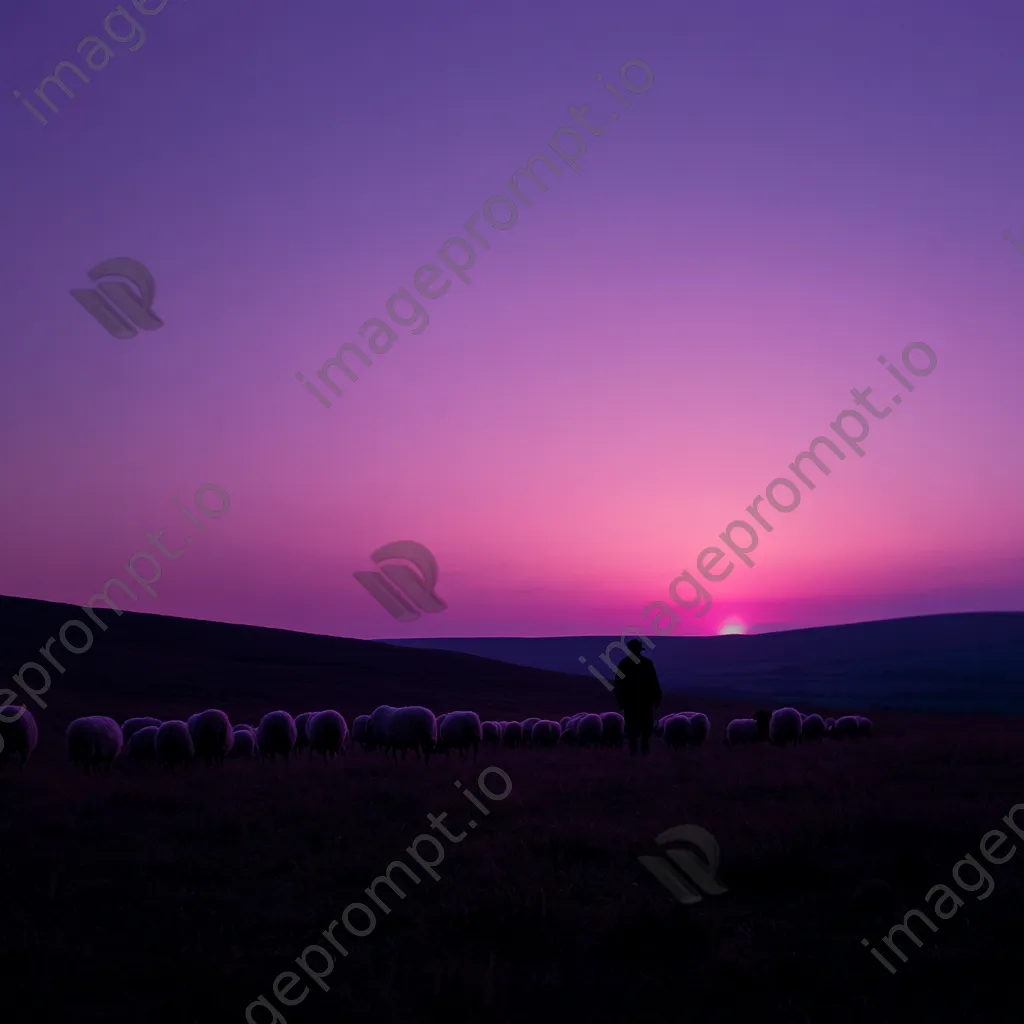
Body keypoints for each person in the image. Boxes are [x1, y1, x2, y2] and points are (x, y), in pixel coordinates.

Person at [612, 638, 663, 757]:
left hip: (634, 704)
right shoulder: (645, 663)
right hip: (641, 703)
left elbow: (618, 685)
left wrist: (621, 703)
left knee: (638, 731)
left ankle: (636, 754)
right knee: (640, 731)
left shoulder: (625, 664)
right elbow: (654, 683)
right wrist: (656, 700)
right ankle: (639, 754)